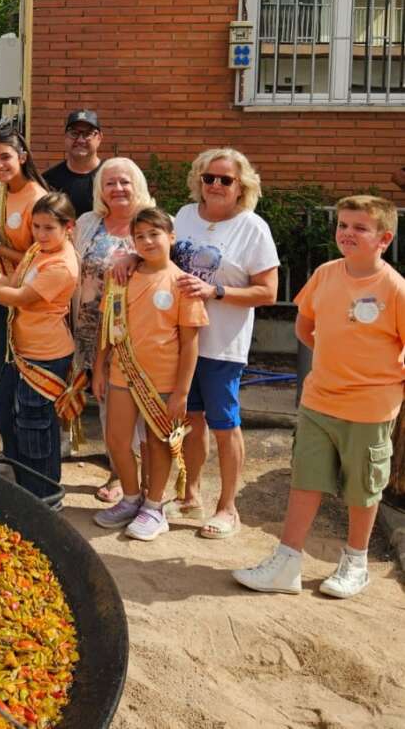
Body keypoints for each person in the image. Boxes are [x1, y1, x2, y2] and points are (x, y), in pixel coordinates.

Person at [233, 195, 405, 597]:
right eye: (343, 225)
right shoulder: (326, 274)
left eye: (360, 227)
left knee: (363, 489)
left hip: (369, 409)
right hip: (318, 401)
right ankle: (287, 562)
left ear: (384, 238)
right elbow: (305, 325)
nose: (347, 233)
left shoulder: (395, 288)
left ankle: (355, 561)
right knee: (306, 480)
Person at [168, 149, 279, 538]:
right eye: (209, 178)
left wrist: (214, 290)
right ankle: (191, 492)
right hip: (182, 339)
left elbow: (267, 292)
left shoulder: (252, 228)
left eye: (225, 180)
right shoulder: (183, 216)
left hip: (222, 344)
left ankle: (228, 507)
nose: (215, 185)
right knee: (190, 420)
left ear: (241, 186)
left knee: (224, 423)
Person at [92, 208, 208, 540]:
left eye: (154, 234)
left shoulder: (182, 283)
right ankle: (131, 497)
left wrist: (183, 392)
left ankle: (154, 506)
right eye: (139, 236)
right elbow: (107, 327)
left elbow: (190, 343)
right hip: (121, 373)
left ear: (171, 237)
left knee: (158, 444)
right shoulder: (121, 277)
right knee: (116, 438)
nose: (146, 241)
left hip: (163, 379)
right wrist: (99, 368)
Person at [0, 192, 79, 492]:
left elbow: (16, 298)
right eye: (36, 226)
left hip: (46, 356)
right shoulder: (38, 250)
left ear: (69, 228)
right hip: (23, 350)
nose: (40, 233)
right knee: (19, 420)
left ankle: (45, 493)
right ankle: (28, 486)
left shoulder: (61, 264)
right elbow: (10, 282)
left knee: (36, 427)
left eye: (49, 227)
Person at [72, 157, 156, 500]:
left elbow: (163, 261)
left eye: (124, 182)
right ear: (99, 190)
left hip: (135, 332)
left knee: (137, 404)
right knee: (107, 401)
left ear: (137, 184)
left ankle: (144, 477)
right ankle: (118, 472)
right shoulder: (88, 222)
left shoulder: (152, 222)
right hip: (91, 330)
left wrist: (135, 257)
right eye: (110, 183)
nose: (118, 189)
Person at [0, 129, 48, 393]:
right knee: (1, 376)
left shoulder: (38, 199)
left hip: (31, 298)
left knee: (25, 380)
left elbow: (43, 261)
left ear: (23, 157)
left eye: (5, 157)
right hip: (3, 293)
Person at [40, 109, 103, 217]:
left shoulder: (113, 178)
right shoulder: (48, 181)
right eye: (74, 133)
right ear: (65, 137)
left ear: (99, 137)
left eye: (87, 134)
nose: (80, 140)